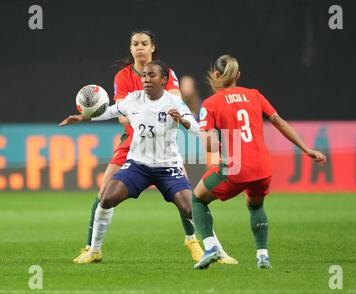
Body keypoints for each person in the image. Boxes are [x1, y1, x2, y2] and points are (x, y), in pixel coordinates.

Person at [60, 61, 237, 264]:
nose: (146, 79)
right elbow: (111, 111)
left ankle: (218, 251)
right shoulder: (133, 99)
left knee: (190, 207)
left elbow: (196, 128)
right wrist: (83, 117)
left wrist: (184, 121)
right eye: (144, 75)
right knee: (107, 198)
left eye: (151, 75)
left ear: (163, 80)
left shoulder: (174, 102)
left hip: (168, 167)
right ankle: (95, 250)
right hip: (138, 165)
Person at [72, 30, 204, 263]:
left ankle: (192, 241)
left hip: (163, 143)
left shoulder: (165, 72)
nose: (139, 47)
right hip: (132, 141)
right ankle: (91, 247)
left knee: (185, 196)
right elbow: (122, 116)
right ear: (131, 49)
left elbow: (173, 100)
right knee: (104, 193)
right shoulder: (122, 77)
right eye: (135, 44)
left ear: (153, 47)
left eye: (144, 43)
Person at [192, 55, 327, 270]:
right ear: (238, 75)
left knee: (197, 199)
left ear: (215, 75)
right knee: (255, 205)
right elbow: (279, 122)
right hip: (263, 167)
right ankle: (262, 255)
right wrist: (307, 149)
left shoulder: (210, 104)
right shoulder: (254, 95)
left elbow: (211, 147)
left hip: (236, 168)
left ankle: (210, 247)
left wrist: (203, 133)